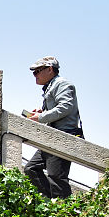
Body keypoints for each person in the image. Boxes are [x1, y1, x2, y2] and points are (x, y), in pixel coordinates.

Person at [23, 56, 82, 199]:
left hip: (62, 136)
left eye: (37, 71)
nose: (35, 75)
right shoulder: (52, 85)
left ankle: (65, 212)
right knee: (31, 168)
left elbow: (66, 107)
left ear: (50, 69)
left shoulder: (62, 84)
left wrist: (42, 117)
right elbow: (60, 108)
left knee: (56, 177)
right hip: (52, 137)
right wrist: (42, 113)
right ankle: (52, 203)